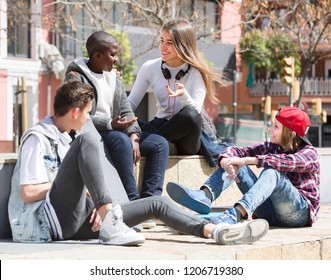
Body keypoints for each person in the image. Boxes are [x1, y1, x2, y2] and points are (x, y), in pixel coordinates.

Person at [8, 80, 269, 246]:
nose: (88, 118)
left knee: (157, 203)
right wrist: (93, 201)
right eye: (88, 112)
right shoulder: (38, 138)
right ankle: (109, 216)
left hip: (79, 219)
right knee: (87, 141)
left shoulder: (67, 138)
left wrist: (87, 199)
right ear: (75, 111)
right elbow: (28, 192)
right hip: (47, 224)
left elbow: (76, 185)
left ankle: (214, 230)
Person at [167, 106, 320, 228]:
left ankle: (236, 214)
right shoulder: (272, 146)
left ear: (291, 134)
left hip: (297, 214)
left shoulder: (309, 153)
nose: (271, 130)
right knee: (235, 160)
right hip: (269, 212)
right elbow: (238, 150)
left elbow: (284, 162)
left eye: (276, 127)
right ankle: (205, 195)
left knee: (272, 171)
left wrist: (247, 160)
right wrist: (228, 160)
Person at [65, 31, 169, 203]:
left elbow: (126, 110)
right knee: (120, 140)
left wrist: (134, 137)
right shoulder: (76, 77)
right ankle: (131, 201)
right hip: (90, 134)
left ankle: (150, 202)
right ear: (97, 55)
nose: (116, 59)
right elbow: (80, 116)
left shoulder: (114, 77)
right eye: (113, 54)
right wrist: (110, 124)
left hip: (116, 131)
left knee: (159, 144)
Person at [128, 19, 222, 156]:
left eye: (169, 43)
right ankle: (161, 143)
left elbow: (195, 112)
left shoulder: (196, 72)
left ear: (183, 45)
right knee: (128, 122)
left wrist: (184, 95)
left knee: (190, 114)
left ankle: (153, 142)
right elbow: (131, 103)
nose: (163, 47)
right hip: (161, 125)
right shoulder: (149, 67)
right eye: (162, 41)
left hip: (186, 137)